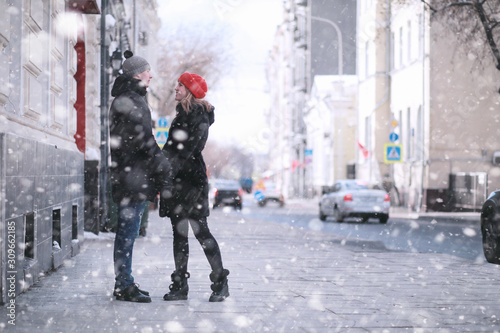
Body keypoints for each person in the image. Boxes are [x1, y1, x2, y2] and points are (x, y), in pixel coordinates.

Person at [159, 72, 229, 302]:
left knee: (201, 232)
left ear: (189, 90)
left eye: (180, 84)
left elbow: (189, 148)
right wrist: (160, 166)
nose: (175, 88)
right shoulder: (181, 114)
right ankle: (180, 285)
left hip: (192, 182)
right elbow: (171, 149)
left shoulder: (198, 115)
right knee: (179, 235)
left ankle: (220, 283)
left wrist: (169, 168)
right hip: (177, 181)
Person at [109, 50, 172, 303]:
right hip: (131, 177)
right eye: (148, 71)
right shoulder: (132, 100)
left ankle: (124, 281)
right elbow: (143, 140)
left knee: (128, 232)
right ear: (137, 74)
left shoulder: (130, 98)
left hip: (130, 175)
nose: (151, 75)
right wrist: (162, 165)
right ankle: (123, 284)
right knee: (127, 233)